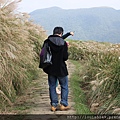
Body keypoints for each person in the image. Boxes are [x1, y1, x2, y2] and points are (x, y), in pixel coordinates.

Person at [43, 27, 74, 111]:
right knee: (64, 86)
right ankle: (63, 104)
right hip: (61, 68)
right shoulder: (63, 43)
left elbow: (43, 55)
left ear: (53, 32)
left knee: (52, 86)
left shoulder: (47, 42)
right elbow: (65, 57)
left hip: (50, 68)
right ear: (61, 33)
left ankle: (53, 105)